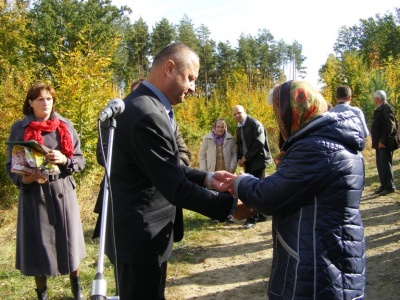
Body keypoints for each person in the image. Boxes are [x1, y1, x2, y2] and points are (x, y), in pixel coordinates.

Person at [109, 42, 236, 299]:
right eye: (190, 78)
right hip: (140, 239)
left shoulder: (149, 106)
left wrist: (208, 178)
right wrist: (231, 206)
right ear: (169, 68)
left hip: (146, 235)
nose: (192, 88)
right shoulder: (146, 112)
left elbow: (165, 167)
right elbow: (175, 186)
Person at [218, 80, 366, 299]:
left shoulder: (317, 147)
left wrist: (239, 182)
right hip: (329, 254)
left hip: (317, 266)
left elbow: (269, 196)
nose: (279, 120)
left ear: (294, 110)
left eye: (279, 112)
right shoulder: (330, 139)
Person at [5, 82, 86, 300]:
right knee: (37, 246)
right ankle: (42, 293)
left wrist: (64, 159)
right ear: (30, 103)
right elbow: (10, 167)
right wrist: (25, 178)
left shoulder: (65, 125)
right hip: (34, 195)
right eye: (40, 99)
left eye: (49, 99)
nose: (46, 103)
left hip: (62, 192)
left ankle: (77, 288)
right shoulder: (19, 128)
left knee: (69, 244)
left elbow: (80, 160)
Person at [92, 78, 192, 240]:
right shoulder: (114, 121)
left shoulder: (170, 122)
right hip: (126, 200)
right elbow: (102, 155)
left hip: (163, 198)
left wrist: (167, 169)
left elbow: (184, 152)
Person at [232, 104, 272, 229]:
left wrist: (246, 157)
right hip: (248, 162)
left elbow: (258, 144)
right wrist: (240, 158)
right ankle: (260, 215)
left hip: (258, 161)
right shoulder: (239, 127)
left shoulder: (255, 124)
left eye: (239, 113)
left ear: (245, 111)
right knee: (253, 188)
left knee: (255, 190)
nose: (237, 116)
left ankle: (252, 218)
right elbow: (240, 145)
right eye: (235, 114)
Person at [199, 118, 237, 223]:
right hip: (212, 170)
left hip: (226, 170)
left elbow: (234, 154)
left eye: (222, 126)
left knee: (227, 193)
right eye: (218, 126)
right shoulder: (207, 138)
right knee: (213, 193)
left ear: (225, 127)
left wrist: (232, 167)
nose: (220, 129)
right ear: (215, 127)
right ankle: (214, 215)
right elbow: (202, 155)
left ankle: (227, 215)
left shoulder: (230, 138)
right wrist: (204, 170)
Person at [371, 90, 398, 196]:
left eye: (374, 98)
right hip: (379, 142)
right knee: (380, 164)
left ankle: (390, 186)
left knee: (385, 164)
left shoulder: (386, 108)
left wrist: (383, 140)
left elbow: (390, 126)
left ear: (377, 99)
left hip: (385, 143)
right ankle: (383, 185)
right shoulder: (380, 108)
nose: (373, 100)